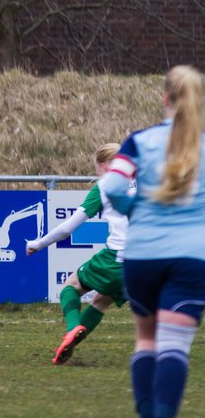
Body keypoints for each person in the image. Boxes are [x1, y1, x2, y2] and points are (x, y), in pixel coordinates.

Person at [100, 64, 205, 418]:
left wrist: (135, 209)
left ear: (165, 98)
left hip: (142, 254)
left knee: (146, 339)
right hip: (193, 258)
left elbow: (110, 186)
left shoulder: (139, 141)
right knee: (175, 346)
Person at [25, 143, 130, 365]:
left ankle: (73, 329)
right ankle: (70, 344)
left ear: (103, 165)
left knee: (70, 286)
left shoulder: (104, 187)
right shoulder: (146, 182)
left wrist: (39, 244)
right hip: (144, 262)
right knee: (101, 301)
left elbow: (67, 228)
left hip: (117, 258)